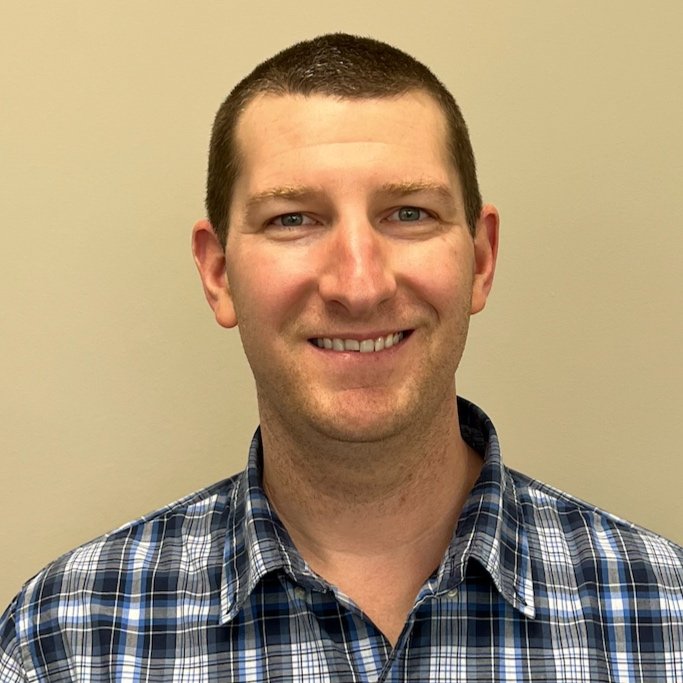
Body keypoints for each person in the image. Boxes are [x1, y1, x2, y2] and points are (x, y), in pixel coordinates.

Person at [1, 33, 682, 682]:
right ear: (218, 273)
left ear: (480, 259)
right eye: (292, 219)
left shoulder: (665, 616)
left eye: (408, 213)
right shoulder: (67, 642)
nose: (359, 285)